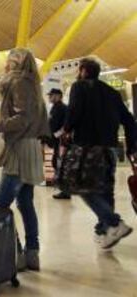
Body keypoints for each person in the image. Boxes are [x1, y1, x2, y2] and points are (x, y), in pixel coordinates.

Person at [0, 48, 49, 271]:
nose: (6, 64)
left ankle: (17, 254)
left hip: (19, 151)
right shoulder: (34, 85)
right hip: (31, 149)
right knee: (25, 204)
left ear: (16, 63)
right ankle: (32, 254)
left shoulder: (19, 82)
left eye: (9, 60)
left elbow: (21, 119)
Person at [64, 58, 137, 249]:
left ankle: (114, 223)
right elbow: (129, 120)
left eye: (79, 70)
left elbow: (74, 111)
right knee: (106, 190)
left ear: (84, 71)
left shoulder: (79, 87)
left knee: (82, 187)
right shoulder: (113, 92)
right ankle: (106, 232)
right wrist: (131, 146)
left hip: (88, 148)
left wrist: (67, 129)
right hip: (110, 148)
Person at [47, 88, 71, 200]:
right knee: (56, 162)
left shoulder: (63, 108)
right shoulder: (54, 108)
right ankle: (63, 187)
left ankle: (65, 190)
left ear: (58, 96)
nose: (49, 97)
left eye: (51, 95)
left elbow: (66, 125)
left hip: (62, 140)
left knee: (60, 164)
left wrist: (57, 135)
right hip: (56, 140)